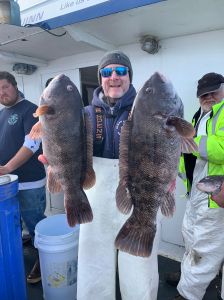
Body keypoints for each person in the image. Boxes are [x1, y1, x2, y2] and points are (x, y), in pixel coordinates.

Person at [76, 50, 161, 300]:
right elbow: (71, 154)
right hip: (96, 197)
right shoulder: (84, 114)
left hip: (140, 193)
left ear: (130, 77)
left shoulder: (147, 110)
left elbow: (166, 147)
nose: (114, 77)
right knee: (93, 264)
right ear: (100, 78)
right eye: (107, 72)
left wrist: (166, 177)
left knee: (140, 269)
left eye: (121, 71)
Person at [172, 72, 224, 300]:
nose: (209, 96)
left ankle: (187, 294)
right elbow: (188, 157)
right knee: (190, 236)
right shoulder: (198, 116)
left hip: (215, 194)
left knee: (206, 247)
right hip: (196, 191)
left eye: (214, 91)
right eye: (204, 93)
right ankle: (188, 276)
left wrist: (189, 142)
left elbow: (220, 149)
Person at [0, 71, 46, 284]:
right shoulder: (2, 113)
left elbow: (32, 144)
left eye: (4, 87)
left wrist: (7, 167)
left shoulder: (30, 110)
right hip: (8, 183)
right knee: (15, 220)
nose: (2, 93)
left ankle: (43, 259)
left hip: (29, 182)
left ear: (15, 86)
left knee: (35, 221)